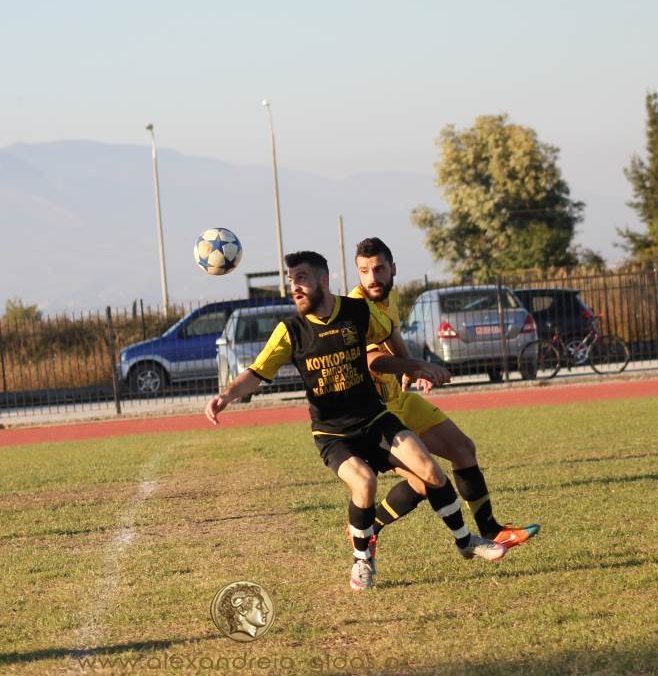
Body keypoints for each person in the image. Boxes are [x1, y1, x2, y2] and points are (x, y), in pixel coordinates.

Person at [207, 251, 508, 592]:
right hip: (333, 434)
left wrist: (414, 367)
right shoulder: (290, 330)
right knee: (364, 482)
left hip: (375, 418)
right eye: (291, 281)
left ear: (323, 280)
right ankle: (362, 560)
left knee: (430, 470)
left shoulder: (357, 312)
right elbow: (256, 373)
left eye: (301, 278)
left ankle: (466, 541)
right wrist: (226, 395)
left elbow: (389, 336)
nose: (295, 287)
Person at [350, 237, 539, 551]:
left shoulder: (387, 297)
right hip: (375, 412)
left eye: (379, 268)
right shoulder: (356, 309)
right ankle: (366, 528)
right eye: (364, 271)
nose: (372, 277)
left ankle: (492, 531)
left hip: (399, 399)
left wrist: (411, 370)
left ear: (392, 268)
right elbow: (371, 361)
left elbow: (392, 334)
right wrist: (417, 364)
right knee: (422, 482)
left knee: (463, 448)